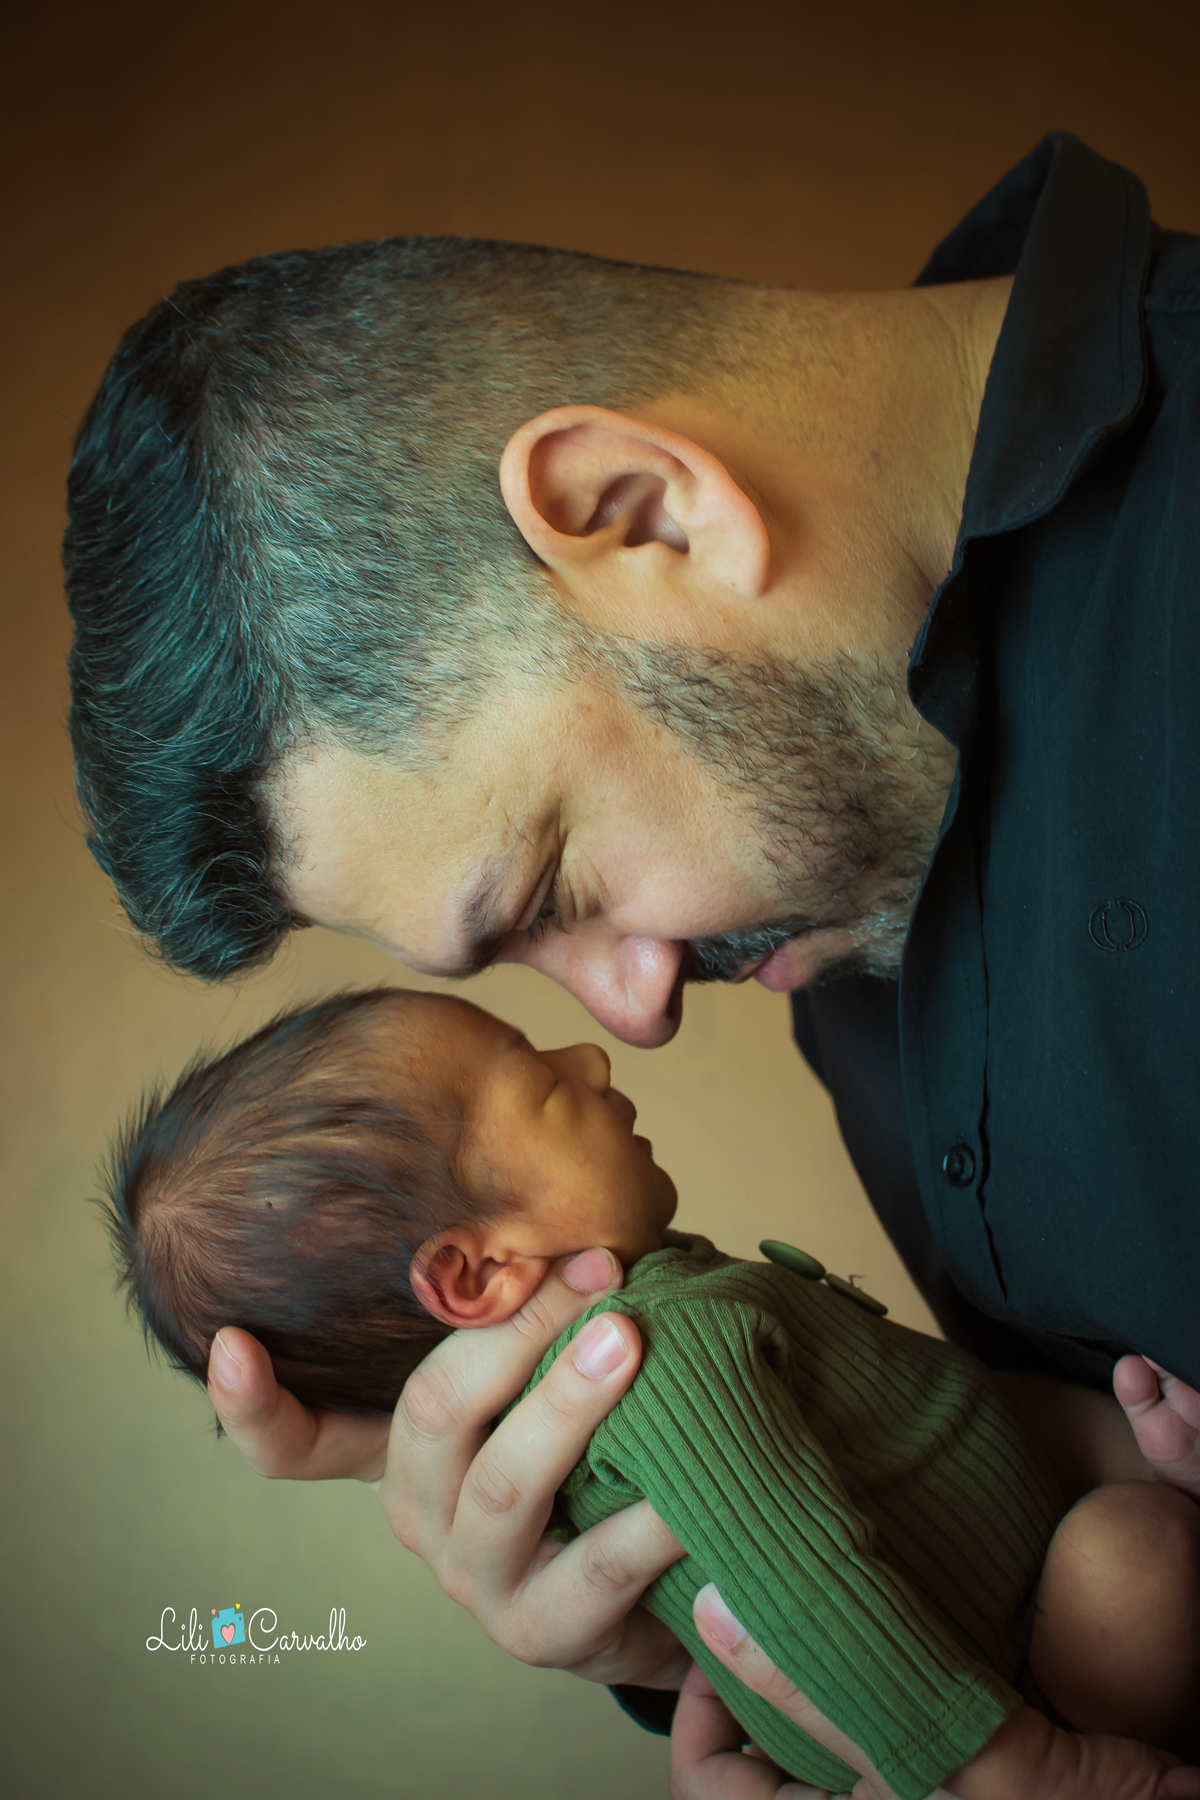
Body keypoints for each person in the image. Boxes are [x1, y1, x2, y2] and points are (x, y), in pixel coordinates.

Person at [63, 129, 1200, 1785]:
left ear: (637, 510)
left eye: (555, 878)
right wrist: (685, 1619)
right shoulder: (841, 920)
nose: (631, 1010)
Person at [104, 985, 1200, 1795]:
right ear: (473, 1273)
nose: (591, 1056)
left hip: (986, 1599)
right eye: (541, 1082)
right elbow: (800, 1578)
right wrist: (1030, 1768)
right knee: (1136, 1560)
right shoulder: (652, 1367)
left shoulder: (645, 1312)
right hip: (985, 1684)